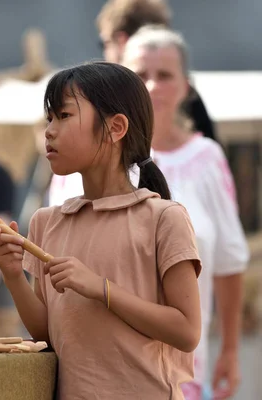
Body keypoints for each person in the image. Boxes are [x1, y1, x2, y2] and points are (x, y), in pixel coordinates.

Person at [0, 62, 202, 399]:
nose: (49, 131)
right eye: (49, 119)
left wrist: (101, 289)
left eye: (64, 116)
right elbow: (48, 332)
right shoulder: (47, 222)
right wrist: (13, 275)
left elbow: (187, 331)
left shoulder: (163, 218)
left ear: (115, 128)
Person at [123, 26, 248, 400]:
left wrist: (229, 349)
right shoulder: (95, 158)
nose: (151, 87)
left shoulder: (207, 158)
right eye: (140, 75)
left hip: (184, 373)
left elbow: (229, 261)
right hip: (106, 368)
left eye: (164, 75)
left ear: (187, 87)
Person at [96, 0, 217, 142]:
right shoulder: (182, 92)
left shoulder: (102, 98)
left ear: (121, 41)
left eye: (104, 44)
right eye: (141, 75)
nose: (153, 86)